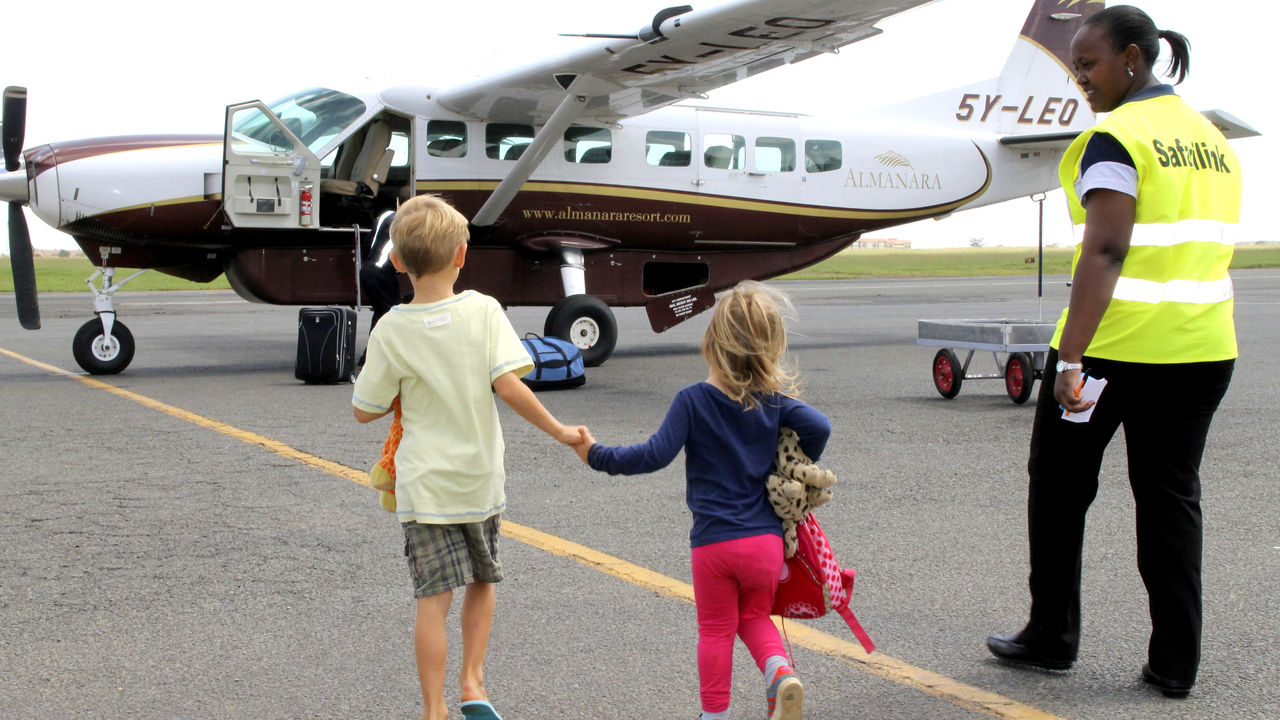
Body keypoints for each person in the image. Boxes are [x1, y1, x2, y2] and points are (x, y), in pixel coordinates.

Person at [985, 5, 1242, 700]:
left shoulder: (1116, 136)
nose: (1081, 80)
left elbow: (1107, 248)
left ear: (1133, 58)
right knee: (1170, 500)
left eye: (1089, 64)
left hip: (1115, 350)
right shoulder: (1213, 139)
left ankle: (1052, 635)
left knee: (1060, 488)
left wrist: (1069, 359)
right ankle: (1175, 663)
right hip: (1204, 349)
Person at [352, 194, 585, 720]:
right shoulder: (483, 311)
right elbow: (509, 385)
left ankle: (433, 709)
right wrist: (560, 431)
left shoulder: (391, 328)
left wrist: (402, 388)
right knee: (482, 580)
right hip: (479, 479)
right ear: (462, 255)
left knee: (432, 600)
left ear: (397, 262)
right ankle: (473, 683)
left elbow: (364, 410)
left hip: (424, 486)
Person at [574, 281, 831, 720]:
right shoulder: (772, 403)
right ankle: (780, 673)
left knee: (715, 630)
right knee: (753, 619)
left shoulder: (692, 401)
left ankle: (714, 715)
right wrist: (791, 457)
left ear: (710, 341)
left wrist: (595, 454)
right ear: (767, 350)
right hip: (765, 545)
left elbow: (652, 456)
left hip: (714, 544)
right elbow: (819, 427)